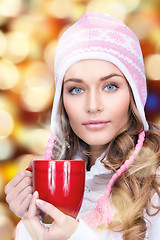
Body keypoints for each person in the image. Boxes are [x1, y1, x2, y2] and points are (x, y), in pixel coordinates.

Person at [5, 12, 160, 240]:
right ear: (61, 101)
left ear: (134, 95)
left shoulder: (154, 184)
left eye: (110, 86)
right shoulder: (53, 178)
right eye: (76, 89)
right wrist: (30, 226)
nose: (93, 106)